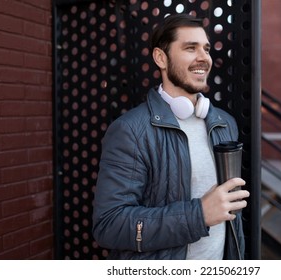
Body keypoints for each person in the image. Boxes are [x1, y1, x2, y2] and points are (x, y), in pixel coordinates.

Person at [92, 13, 250, 260]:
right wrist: (199, 215)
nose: (203, 58)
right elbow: (109, 225)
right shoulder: (131, 131)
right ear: (160, 58)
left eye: (206, 49)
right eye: (190, 48)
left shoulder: (224, 123)